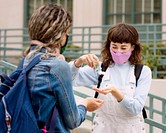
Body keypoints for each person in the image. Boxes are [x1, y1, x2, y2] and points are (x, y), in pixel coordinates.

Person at [23, 3, 103, 133]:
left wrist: (78, 62)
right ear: (59, 35)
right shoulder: (57, 66)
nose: (66, 38)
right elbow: (73, 120)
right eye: (66, 33)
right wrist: (85, 104)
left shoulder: (27, 60)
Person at [69, 23, 152, 133]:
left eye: (123, 48)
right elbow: (69, 79)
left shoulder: (142, 72)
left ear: (132, 47)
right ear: (109, 46)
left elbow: (135, 108)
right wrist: (78, 62)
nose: (118, 52)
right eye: (114, 47)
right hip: (103, 128)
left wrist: (115, 92)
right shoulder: (101, 68)